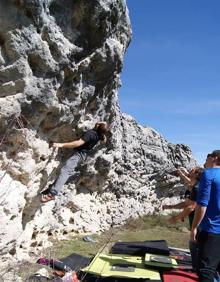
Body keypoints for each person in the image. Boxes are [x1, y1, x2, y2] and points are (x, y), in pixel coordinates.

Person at [41, 121, 108, 203]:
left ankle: (52, 194)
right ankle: (52, 188)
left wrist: (61, 145)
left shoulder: (91, 133)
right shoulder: (100, 136)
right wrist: (102, 131)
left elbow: (78, 143)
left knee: (65, 171)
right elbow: (104, 140)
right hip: (83, 156)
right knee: (65, 170)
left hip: (78, 155)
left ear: (97, 126)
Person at [162, 166, 203, 270]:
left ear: (197, 175)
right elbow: (186, 203)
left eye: (192, 171)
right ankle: (197, 269)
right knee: (195, 246)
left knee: (197, 247)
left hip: (200, 224)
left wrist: (176, 218)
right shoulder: (193, 187)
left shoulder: (197, 188)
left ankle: (199, 271)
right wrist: (170, 207)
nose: (189, 172)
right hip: (195, 222)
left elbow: (191, 207)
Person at [191, 150, 220, 282]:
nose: (206, 159)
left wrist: (194, 227)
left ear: (215, 158)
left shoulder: (208, 175)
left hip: (211, 229)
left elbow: (202, 205)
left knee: (206, 271)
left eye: (208, 156)